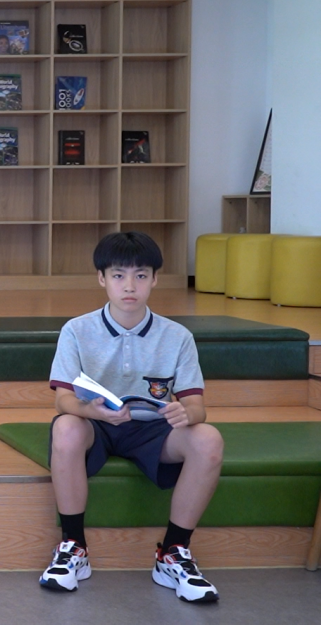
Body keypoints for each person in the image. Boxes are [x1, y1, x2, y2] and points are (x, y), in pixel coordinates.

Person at [40, 231, 223, 603]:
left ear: (155, 279)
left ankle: (173, 553)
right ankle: (74, 547)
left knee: (209, 439)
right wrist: (90, 411)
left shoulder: (178, 336)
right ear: (101, 279)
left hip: (152, 430)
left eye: (140, 275)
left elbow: (198, 407)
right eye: (119, 275)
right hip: (97, 425)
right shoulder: (76, 330)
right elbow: (63, 400)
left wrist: (184, 412)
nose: (129, 286)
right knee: (67, 427)